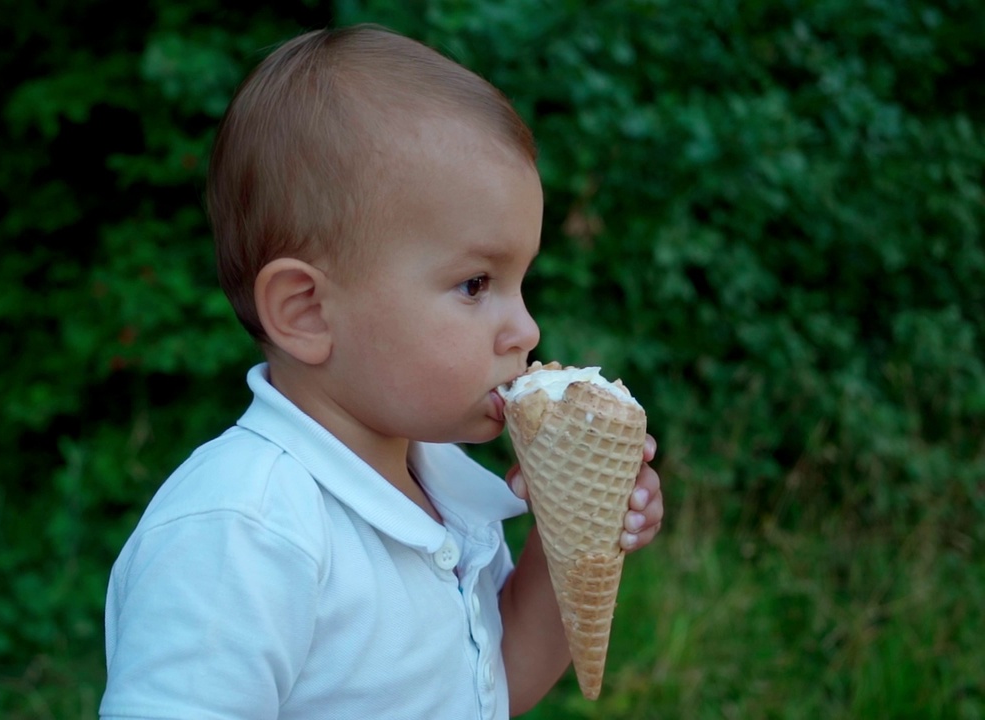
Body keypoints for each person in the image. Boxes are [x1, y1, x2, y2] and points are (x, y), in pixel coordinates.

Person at [100, 24, 664, 719]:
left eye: (521, 281)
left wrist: (567, 542)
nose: (527, 329)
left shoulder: (440, 482)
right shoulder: (245, 531)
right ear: (307, 311)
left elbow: (495, 690)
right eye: (476, 284)